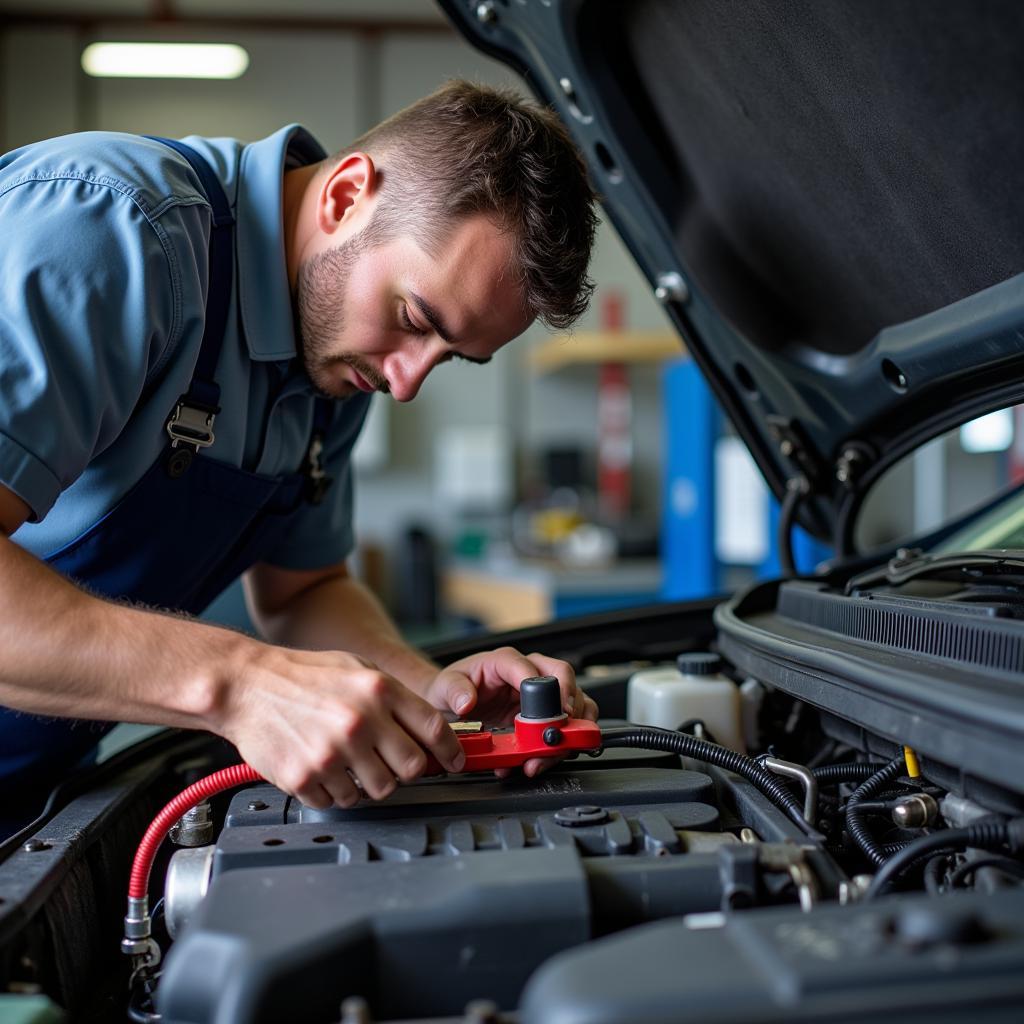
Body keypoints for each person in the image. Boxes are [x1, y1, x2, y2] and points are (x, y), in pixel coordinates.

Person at [0, 80, 599, 835]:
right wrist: (240, 684)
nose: (406, 382)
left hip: (31, 799)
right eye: (414, 319)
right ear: (347, 195)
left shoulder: (337, 366)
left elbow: (302, 592)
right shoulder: (109, 231)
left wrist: (435, 696)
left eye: (450, 359)